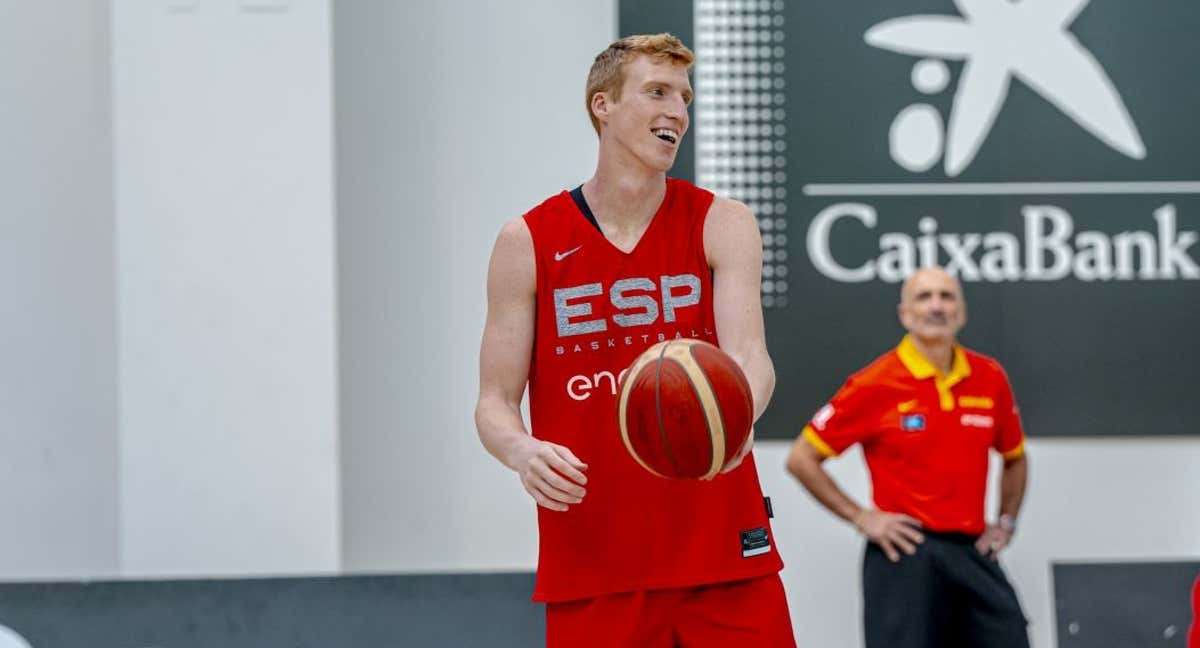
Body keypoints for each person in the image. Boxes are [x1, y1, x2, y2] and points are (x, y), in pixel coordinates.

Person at [474, 33, 795, 647]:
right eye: (657, 92)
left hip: (722, 550)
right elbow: (493, 401)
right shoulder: (528, 240)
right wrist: (521, 451)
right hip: (594, 558)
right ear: (603, 105)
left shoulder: (722, 221)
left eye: (685, 98)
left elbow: (752, 358)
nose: (677, 110)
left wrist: (733, 413)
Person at [786, 267, 1030, 648]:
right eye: (924, 296)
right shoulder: (875, 382)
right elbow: (801, 458)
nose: (936, 306)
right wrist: (862, 517)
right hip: (905, 554)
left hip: (971, 549)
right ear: (905, 313)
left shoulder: (989, 376)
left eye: (946, 296)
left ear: (961, 311)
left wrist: (1006, 522)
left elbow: (1015, 457)